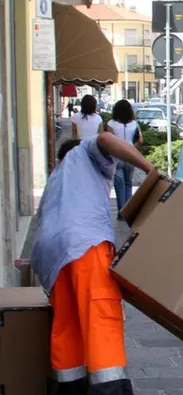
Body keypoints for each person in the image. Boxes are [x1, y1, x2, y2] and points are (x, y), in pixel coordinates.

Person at [32, 132, 155, 395]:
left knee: (68, 327)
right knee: (101, 319)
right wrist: (149, 168)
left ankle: (67, 390)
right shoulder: (84, 153)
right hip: (85, 245)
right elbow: (104, 139)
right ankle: (110, 390)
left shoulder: (56, 178)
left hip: (52, 258)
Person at [106, 99, 143, 221]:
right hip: (130, 156)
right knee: (128, 183)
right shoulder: (134, 124)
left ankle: (121, 212)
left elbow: (108, 140)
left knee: (119, 185)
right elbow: (140, 140)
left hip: (117, 157)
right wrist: (131, 147)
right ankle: (129, 211)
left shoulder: (111, 124)